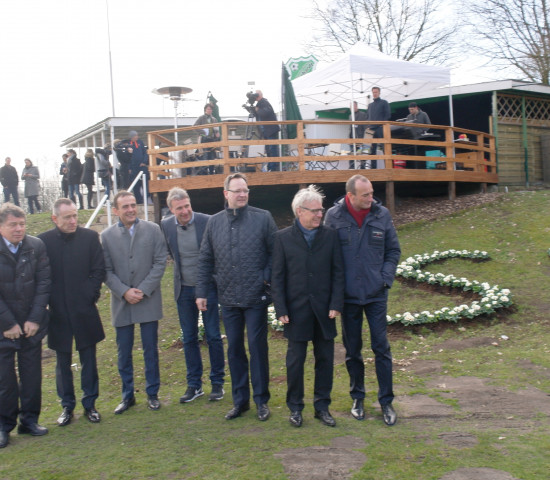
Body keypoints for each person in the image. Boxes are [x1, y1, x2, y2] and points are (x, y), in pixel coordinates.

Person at [196, 173, 277, 421]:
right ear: (226, 194)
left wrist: (265, 278)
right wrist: (201, 291)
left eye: (245, 190)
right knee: (235, 351)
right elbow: (205, 259)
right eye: (237, 190)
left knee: (257, 348)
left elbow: (276, 254)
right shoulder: (214, 223)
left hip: (255, 298)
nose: (242, 194)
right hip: (228, 297)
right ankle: (240, 402)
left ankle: (262, 401)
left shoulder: (263, 218)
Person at [324, 174, 401, 426]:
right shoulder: (334, 217)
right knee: (352, 350)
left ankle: (386, 401)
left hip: (376, 294)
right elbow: (327, 255)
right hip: (348, 297)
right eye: (365, 195)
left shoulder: (382, 214)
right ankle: (357, 397)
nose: (371, 198)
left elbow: (393, 250)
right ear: (351, 196)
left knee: (381, 348)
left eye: (371, 193)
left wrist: (385, 279)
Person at [271, 185, 344, 428]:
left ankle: (322, 407)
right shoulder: (282, 238)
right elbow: (277, 277)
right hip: (296, 311)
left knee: (325, 360)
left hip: (325, 311)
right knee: (295, 361)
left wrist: (336, 303)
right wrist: (280, 308)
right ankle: (295, 407)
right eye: (314, 211)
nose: (319, 215)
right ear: (299, 212)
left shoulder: (331, 236)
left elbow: (338, 272)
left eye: (321, 210)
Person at [38, 199, 106, 427]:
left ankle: (90, 404)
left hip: (84, 309)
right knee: (62, 361)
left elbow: (98, 270)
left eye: (75, 215)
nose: (73, 221)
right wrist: (51, 302)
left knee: (89, 359)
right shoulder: (44, 242)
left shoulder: (89, 238)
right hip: (58, 312)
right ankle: (67, 406)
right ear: (55, 218)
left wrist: (89, 296)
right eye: (67, 217)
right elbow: (42, 276)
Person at [101, 190, 167, 414]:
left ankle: (152, 393)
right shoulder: (106, 236)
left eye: (133, 204)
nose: (131, 209)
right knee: (124, 352)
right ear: (115, 210)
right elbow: (106, 271)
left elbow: (160, 262)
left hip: (148, 299)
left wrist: (144, 289)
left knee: (150, 350)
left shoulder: (153, 230)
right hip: (122, 303)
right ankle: (127, 395)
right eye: (125, 206)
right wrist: (124, 291)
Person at [161, 187, 225, 404]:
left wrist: (206, 287)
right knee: (189, 338)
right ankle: (194, 385)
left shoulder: (207, 221)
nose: (185, 210)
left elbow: (216, 255)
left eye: (187, 205)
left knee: (214, 335)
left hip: (207, 287)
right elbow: (172, 254)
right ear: (171, 210)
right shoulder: (166, 225)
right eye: (179, 208)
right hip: (183, 290)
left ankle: (218, 383)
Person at [0, 203, 50, 448]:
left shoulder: (36, 246)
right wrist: (8, 323)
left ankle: (29, 421)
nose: (19, 229)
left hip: (31, 326)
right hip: (3, 329)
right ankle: (3, 426)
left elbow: (44, 284)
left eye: (22, 224)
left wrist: (34, 319)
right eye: (13, 225)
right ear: (1, 226)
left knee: (32, 377)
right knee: (4, 381)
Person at [117, 131, 148, 204]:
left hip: (142, 165)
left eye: (137, 136)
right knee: (135, 184)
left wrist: (144, 161)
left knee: (145, 182)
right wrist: (129, 168)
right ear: (132, 137)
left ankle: (146, 198)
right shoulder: (128, 144)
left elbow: (144, 152)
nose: (137, 137)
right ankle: (138, 200)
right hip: (133, 167)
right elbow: (128, 157)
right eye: (135, 136)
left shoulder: (140, 142)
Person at [254, 90, 280, 172]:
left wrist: (257, 110)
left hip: (270, 130)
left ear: (260, 95)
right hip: (266, 131)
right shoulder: (259, 104)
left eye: (257, 95)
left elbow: (265, 113)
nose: (255, 96)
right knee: (268, 149)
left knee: (272, 149)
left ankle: (273, 168)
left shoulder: (264, 102)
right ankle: (270, 167)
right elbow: (258, 115)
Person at [194, 103, 220, 174]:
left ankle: (211, 172)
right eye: (208, 109)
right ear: (205, 110)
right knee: (204, 155)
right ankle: (204, 173)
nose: (209, 110)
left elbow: (216, 129)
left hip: (212, 139)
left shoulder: (214, 119)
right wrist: (203, 132)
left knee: (212, 155)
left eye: (210, 109)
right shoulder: (201, 118)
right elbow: (195, 126)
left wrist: (217, 133)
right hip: (203, 138)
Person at [366, 87, 391, 155]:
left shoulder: (384, 102)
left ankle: (387, 165)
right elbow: (367, 117)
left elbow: (387, 115)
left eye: (376, 92)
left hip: (380, 128)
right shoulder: (370, 105)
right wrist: (368, 126)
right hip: (370, 129)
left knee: (385, 148)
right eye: (373, 92)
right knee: (368, 150)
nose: (375, 94)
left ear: (379, 93)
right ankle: (373, 166)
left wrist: (382, 124)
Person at [349, 102, 369, 169]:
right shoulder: (350, 116)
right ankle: (351, 170)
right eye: (351, 106)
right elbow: (350, 128)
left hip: (362, 139)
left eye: (353, 106)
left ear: (356, 106)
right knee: (352, 156)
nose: (352, 107)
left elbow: (366, 127)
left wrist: (364, 139)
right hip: (352, 139)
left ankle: (362, 170)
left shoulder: (363, 114)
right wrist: (349, 138)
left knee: (363, 156)